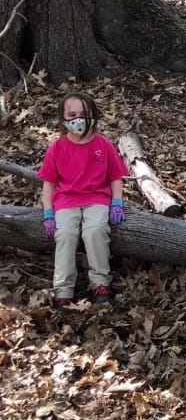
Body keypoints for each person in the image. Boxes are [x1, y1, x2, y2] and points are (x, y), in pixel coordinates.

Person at [38, 92, 129, 306]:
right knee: (66, 235)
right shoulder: (57, 147)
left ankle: (100, 282)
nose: (78, 119)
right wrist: (48, 214)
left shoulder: (103, 144)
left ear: (93, 116)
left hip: (97, 199)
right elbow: (48, 184)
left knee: (95, 231)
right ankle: (63, 289)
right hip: (66, 202)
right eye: (72, 114)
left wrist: (116, 203)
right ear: (63, 119)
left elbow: (115, 177)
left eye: (83, 114)